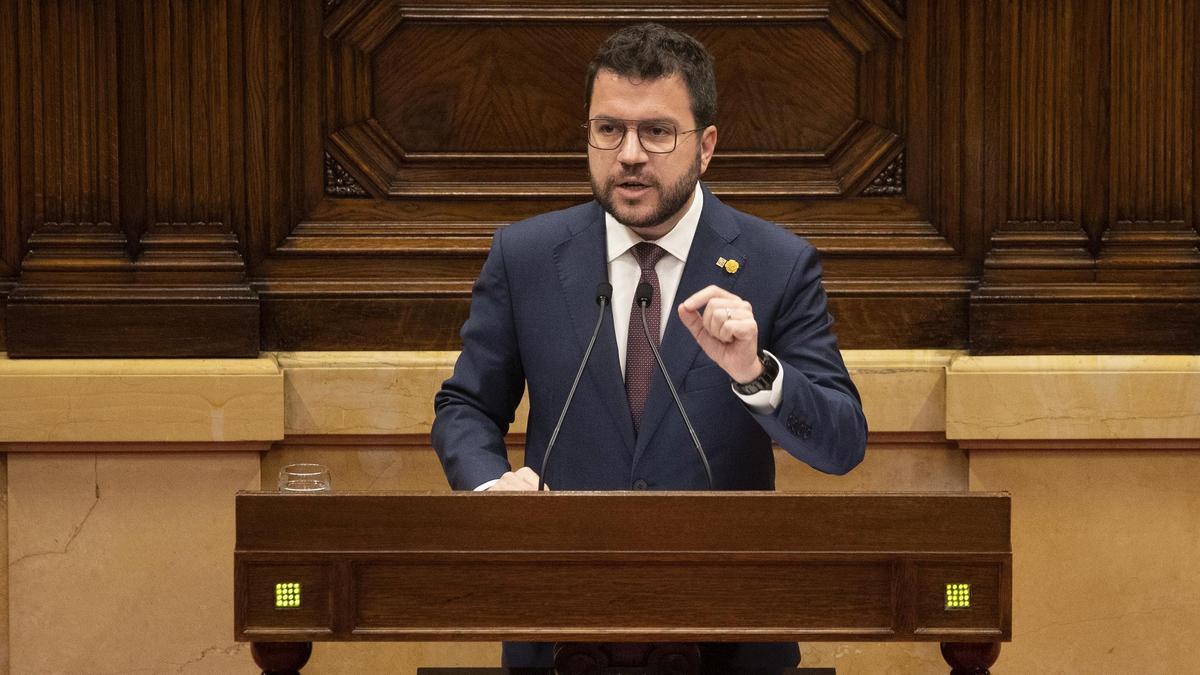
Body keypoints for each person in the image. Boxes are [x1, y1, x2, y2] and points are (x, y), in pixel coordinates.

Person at [432, 22, 868, 670]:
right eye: (609, 129)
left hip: (728, 637)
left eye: (656, 132)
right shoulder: (525, 258)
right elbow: (466, 405)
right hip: (559, 630)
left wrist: (756, 372)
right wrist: (492, 489)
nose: (629, 153)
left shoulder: (778, 263)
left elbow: (842, 443)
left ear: (706, 146)